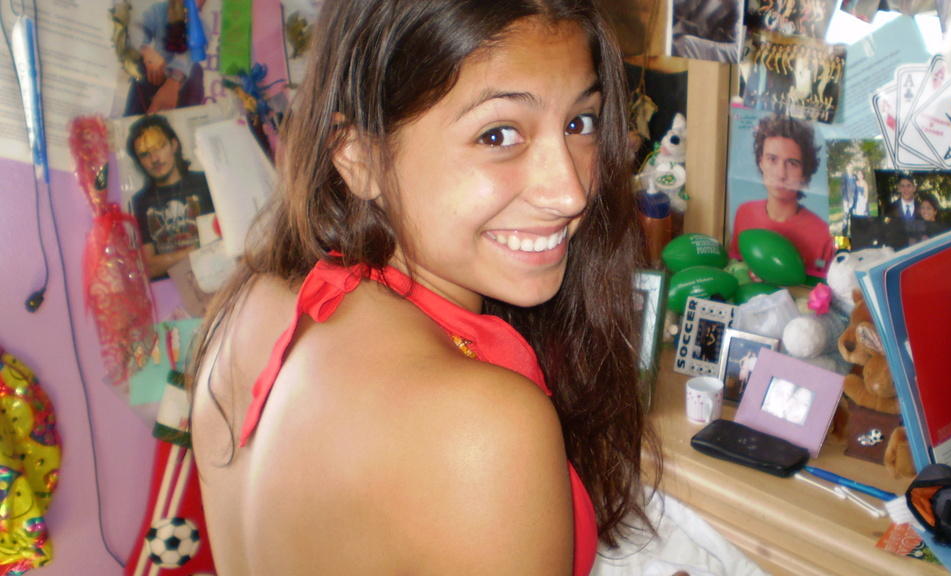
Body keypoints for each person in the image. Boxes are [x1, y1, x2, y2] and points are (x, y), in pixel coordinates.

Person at [188, 2, 660, 574]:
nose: (570, 192)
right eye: (499, 134)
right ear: (358, 156)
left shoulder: (249, 304)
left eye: (580, 123)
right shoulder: (483, 426)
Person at [729, 114, 834, 278]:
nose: (781, 174)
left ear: (804, 173)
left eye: (792, 163)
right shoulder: (744, 213)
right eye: (772, 159)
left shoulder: (823, 235)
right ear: (761, 162)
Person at [126, 114, 215, 280]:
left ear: (174, 145)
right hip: (169, 288)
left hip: (214, 276)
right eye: (144, 154)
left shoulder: (204, 183)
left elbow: (222, 244)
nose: (154, 159)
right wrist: (196, 251)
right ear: (139, 161)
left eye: (159, 147)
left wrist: (167, 260)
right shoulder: (140, 202)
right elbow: (149, 267)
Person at [124, 0, 206, 115]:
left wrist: (174, 81)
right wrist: (145, 50)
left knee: (196, 70)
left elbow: (189, 54)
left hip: (182, 87)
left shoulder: (203, 25)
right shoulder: (160, 10)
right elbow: (136, 29)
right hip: (153, 76)